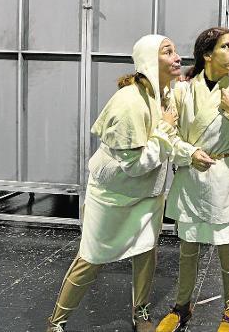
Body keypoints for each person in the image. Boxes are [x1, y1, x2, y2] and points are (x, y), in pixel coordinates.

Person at [46, 34, 201, 332]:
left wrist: (190, 152)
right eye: (167, 52)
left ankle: (140, 311)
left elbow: (172, 139)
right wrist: (165, 129)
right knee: (91, 257)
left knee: (146, 252)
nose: (177, 57)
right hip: (113, 195)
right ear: (148, 61)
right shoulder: (128, 102)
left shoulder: (164, 94)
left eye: (175, 51)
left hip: (148, 195)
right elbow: (135, 165)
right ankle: (56, 322)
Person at [156, 27, 229, 332]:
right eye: (226, 46)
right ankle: (181, 306)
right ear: (207, 54)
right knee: (188, 251)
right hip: (193, 179)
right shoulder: (183, 91)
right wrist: (189, 153)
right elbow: (169, 136)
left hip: (228, 178)